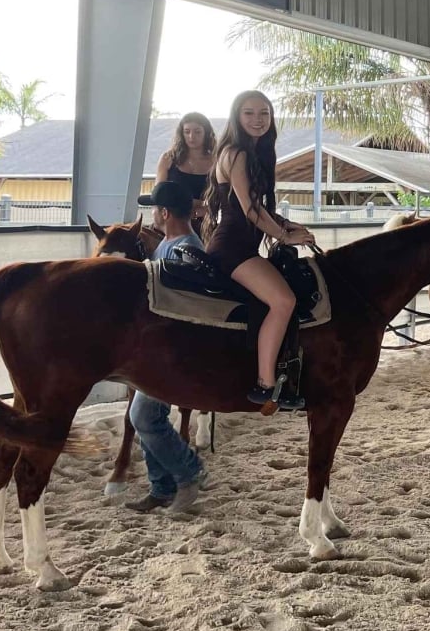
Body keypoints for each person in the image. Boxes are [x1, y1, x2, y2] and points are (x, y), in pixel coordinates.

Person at [206, 90, 316, 412]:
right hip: (232, 248)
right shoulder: (236, 153)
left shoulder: (258, 153)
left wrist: (287, 224)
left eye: (264, 113)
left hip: (243, 245)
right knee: (284, 301)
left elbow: (262, 209)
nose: (258, 120)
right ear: (237, 117)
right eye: (249, 113)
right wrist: (284, 236)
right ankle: (265, 385)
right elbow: (250, 210)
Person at [126, 180, 211, 513]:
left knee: (144, 416)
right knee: (145, 416)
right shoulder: (169, 245)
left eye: (153, 209)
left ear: (164, 213)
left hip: (173, 354)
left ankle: (190, 472)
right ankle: (161, 487)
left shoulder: (186, 251)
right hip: (159, 351)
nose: (151, 215)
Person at [154, 113, 215, 237]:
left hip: (205, 221)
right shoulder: (168, 158)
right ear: (181, 134)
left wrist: (206, 209)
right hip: (171, 221)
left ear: (206, 133)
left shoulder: (216, 161)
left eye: (197, 132)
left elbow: (222, 196)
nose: (191, 137)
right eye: (187, 132)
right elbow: (159, 193)